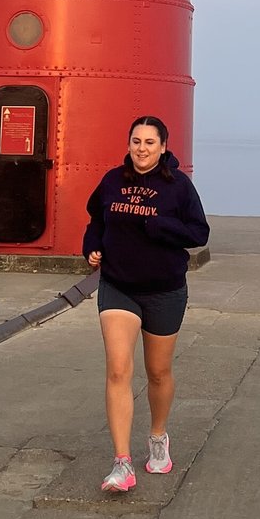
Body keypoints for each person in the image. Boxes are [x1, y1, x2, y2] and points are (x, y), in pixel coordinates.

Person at [83, 115, 209, 494]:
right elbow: (95, 220)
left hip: (165, 289)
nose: (141, 149)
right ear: (129, 144)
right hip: (118, 286)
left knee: (157, 372)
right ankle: (121, 463)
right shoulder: (111, 181)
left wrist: (160, 227)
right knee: (119, 370)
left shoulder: (179, 187)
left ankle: (158, 436)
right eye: (136, 141)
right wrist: (92, 246)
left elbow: (199, 233)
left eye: (150, 143)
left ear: (164, 147)